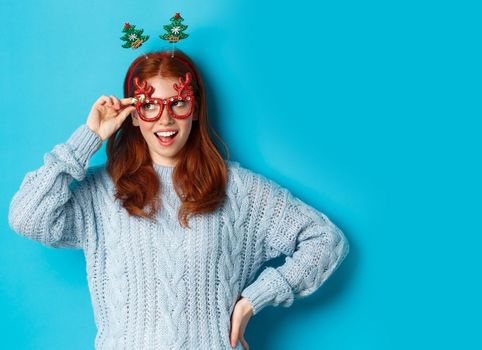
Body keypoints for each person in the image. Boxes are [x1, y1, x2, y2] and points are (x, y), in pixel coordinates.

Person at [7, 49, 350, 350]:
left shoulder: (240, 190)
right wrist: (89, 137)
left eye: (178, 103)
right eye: (150, 106)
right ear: (134, 114)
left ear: (195, 107)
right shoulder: (102, 193)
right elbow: (27, 216)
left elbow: (325, 240)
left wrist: (251, 300)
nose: (166, 119)